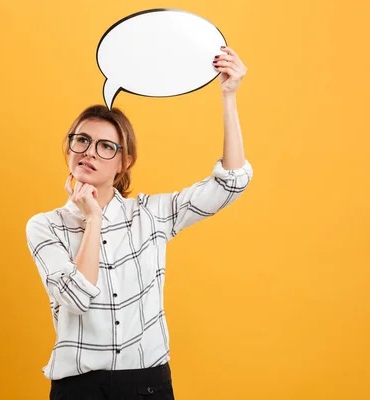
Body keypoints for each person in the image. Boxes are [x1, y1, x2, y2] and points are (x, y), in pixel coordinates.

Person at [26, 46, 253, 400]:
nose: (89, 151)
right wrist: (94, 219)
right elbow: (77, 298)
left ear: (124, 162)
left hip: (147, 385)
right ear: (68, 148)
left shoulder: (151, 215)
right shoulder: (45, 226)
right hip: (78, 388)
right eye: (82, 140)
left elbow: (232, 181)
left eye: (106, 146)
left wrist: (229, 97)